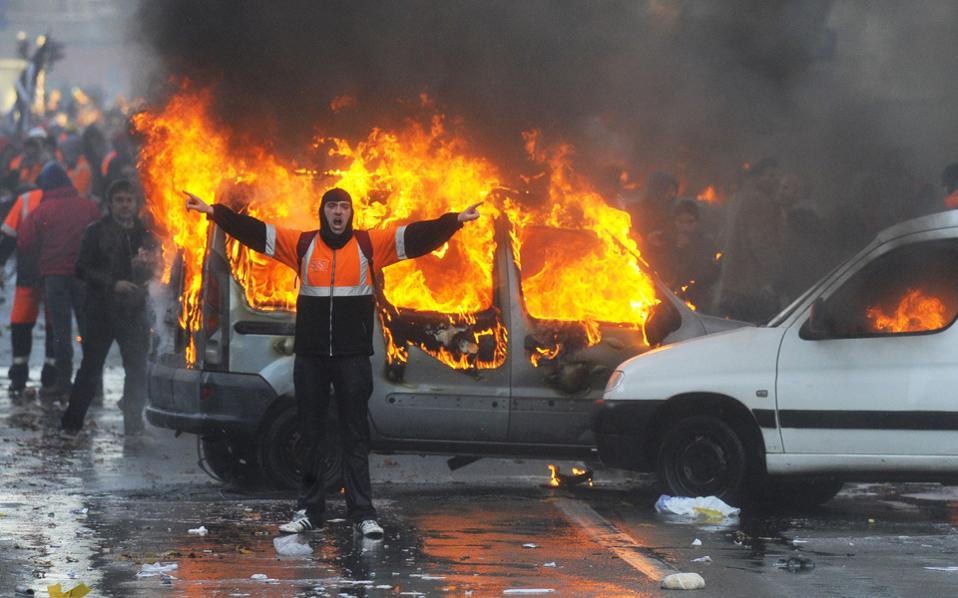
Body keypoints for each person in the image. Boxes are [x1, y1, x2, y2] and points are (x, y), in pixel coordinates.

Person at [184, 187, 481, 538]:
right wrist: (215, 212)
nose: (338, 213)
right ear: (322, 212)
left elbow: (416, 236)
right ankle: (308, 510)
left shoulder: (370, 246)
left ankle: (363, 514)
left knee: (355, 437)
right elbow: (257, 232)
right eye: (332, 207)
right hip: (311, 359)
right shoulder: (303, 245)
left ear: (351, 212)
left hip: (352, 359)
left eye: (343, 206)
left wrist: (454, 222)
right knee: (311, 436)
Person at [61, 180, 158, 436]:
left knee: (136, 371)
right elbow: (81, 268)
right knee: (90, 370)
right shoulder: (96, 231)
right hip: (101, 311)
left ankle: (134, 428)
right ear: (111, 203)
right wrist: (113, 284)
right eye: (120, 200)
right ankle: (71, 426)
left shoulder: (146, 234)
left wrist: (147, 273)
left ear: (136, 204)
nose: (125, 205)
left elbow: (159, 268)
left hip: (134, 313)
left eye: (129, 200)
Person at [18, 163, 101, 396]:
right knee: (89, 329)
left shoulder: (42, 211)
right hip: (85, 278)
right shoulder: (89, 207)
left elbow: (25, 241)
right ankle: (95, 385)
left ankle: (63, 385)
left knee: (61, 330)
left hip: (55, 277)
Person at [0, 183, 57, 394]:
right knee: (54, 324)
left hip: (28, 271)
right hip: (56, 272)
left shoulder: (25, 200)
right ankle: (51, 375)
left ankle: (19, 374)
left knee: (21, 322)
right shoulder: (65, 200)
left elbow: (8, 236)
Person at [713, 158, 784, 322]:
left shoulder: (738, 198)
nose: (775, 181)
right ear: (758, 177)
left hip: (731, 288)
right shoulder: (759, 201)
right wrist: (777, 275)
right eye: (771, 176)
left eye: (777, 177)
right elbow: (762, 244)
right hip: (751, 290)